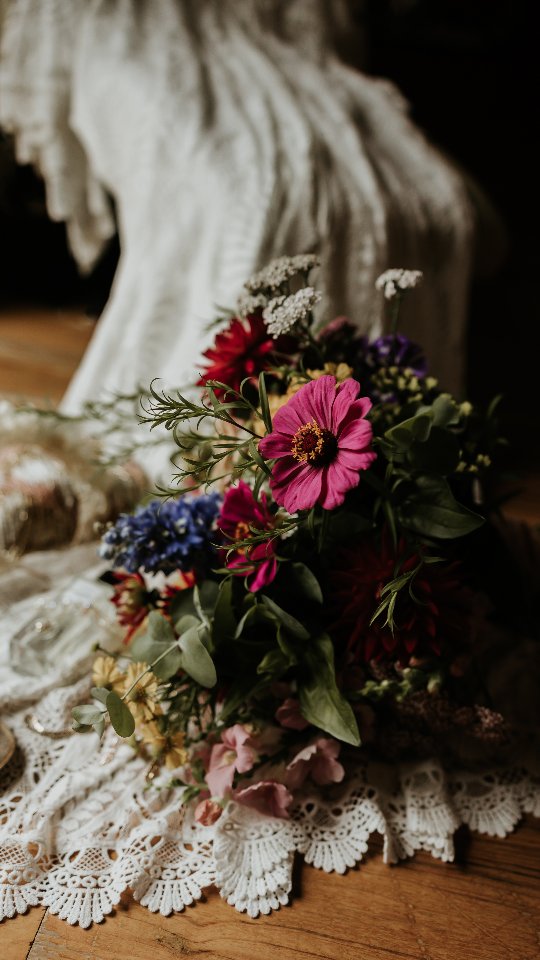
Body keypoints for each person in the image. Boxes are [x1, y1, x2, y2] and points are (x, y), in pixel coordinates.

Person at [1, 0, 474, 409]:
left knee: (433, 205)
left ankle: (370, 411)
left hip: (271, 39)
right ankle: (252, 427)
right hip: (139, 28)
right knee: (249, 200)